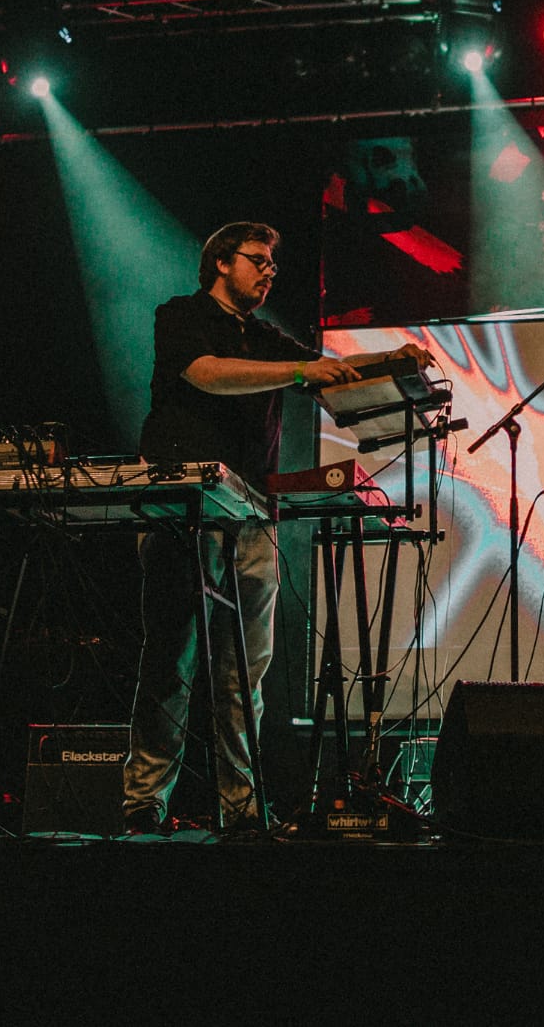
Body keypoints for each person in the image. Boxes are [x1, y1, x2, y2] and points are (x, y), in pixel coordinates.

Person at [122, 220, 428, 832]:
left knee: (245, 672)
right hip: (187, 505)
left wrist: (390, 361)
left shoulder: (264, 337)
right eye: (258, 260)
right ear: (220, 261)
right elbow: (207, 373)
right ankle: (143, 801)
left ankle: (241, 807)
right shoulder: (180, 315)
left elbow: (329, 371)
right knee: (172, 659)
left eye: (272, 264)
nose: (269, 271)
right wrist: (297, 374)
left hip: (253, 511)